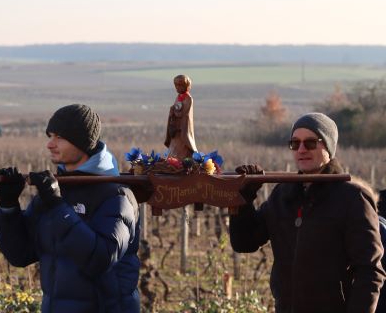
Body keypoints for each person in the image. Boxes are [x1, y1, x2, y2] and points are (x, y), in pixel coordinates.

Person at [229, 112, 385, 313]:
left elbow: (370, 271)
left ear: (328, 147)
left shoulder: (352, 198)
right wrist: (243, 199)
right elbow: (245, 242)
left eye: (310, 143)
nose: (301, 149)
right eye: (295, 143)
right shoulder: (282, 194)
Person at [0, 104, 140, 313]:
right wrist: (8, 207)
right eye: (50, 136)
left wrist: (57, 206)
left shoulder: (116, 195)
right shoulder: (56, 191)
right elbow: (20, 255)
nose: (50, 144)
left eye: (59, 137)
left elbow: (100, 258)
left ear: (83, 142)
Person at [164, 74, 197, 160]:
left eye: (180, 85)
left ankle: (183, 160)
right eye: (176, 85)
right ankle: (172, 160)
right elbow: (176, 107)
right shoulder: (178, 97)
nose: (177, 88)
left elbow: (185, 113)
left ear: (186, 86)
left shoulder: (188, 99)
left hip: (183, 129)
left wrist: (176, 112)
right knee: (174, 146)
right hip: (176, 129)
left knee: (182, 147)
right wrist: (172, 111)